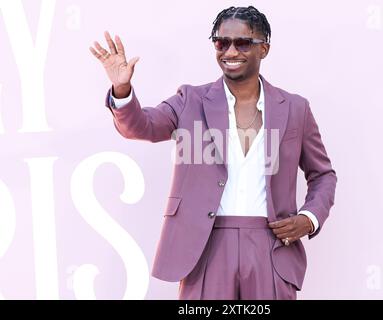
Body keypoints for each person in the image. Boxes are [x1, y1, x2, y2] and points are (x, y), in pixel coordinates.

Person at [90, 6, 337, 300]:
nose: (230, 51)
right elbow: (140, 126)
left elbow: (323, 174)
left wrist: (309, 218)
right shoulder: (189, 100)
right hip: (205, 245)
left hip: (271, 246)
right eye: (221, 42)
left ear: (264, 49)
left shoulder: (295, 108)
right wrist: (122, 88)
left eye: (243, 43)